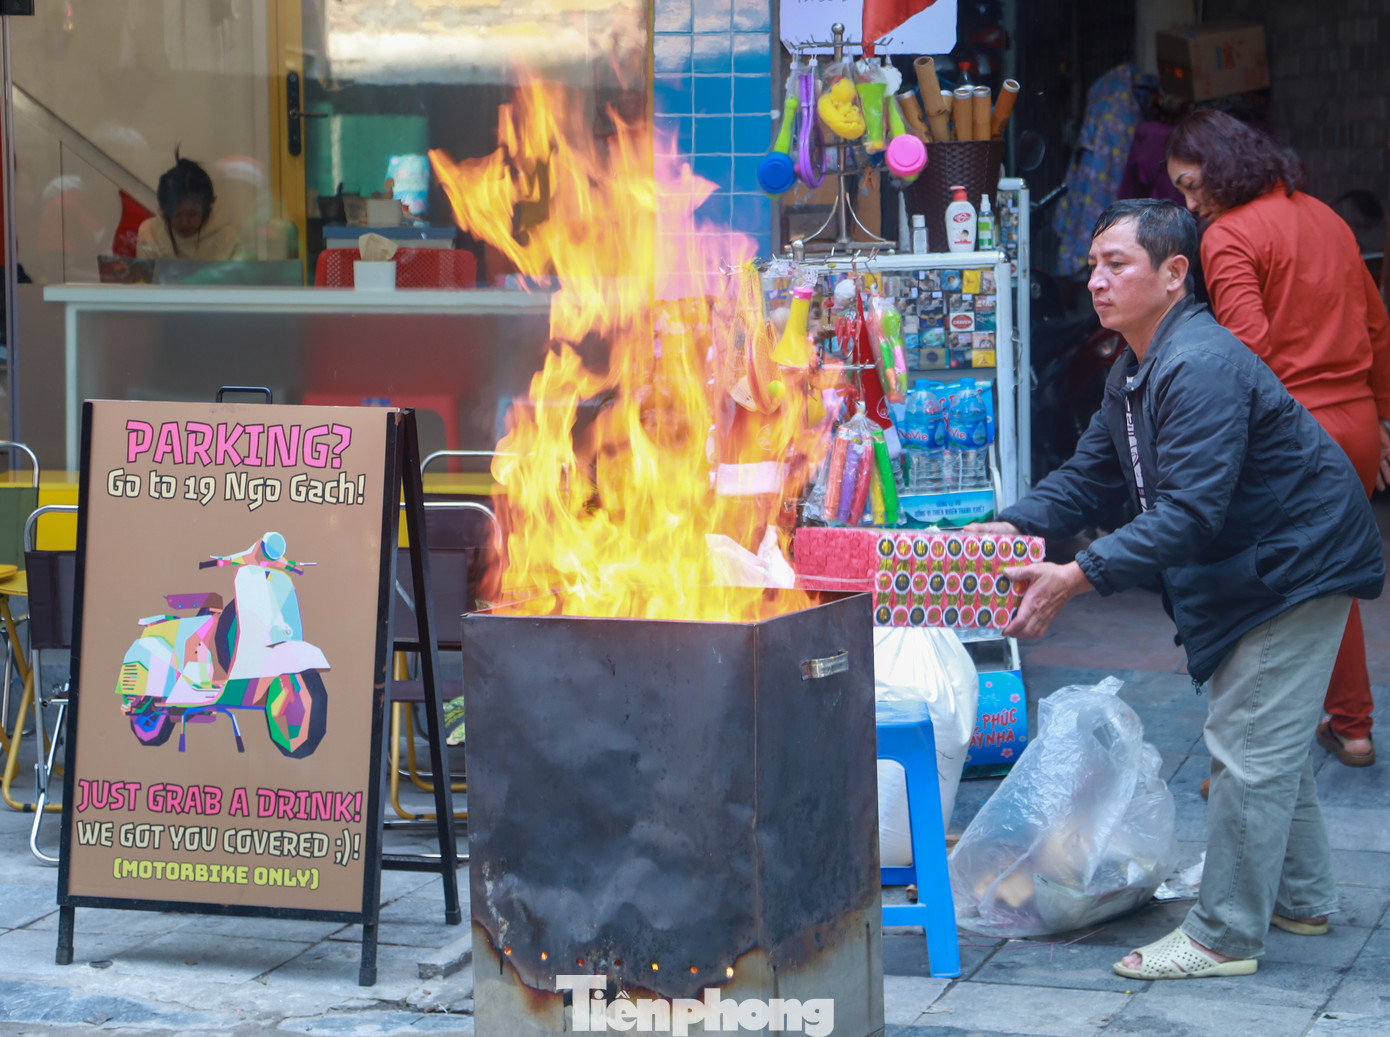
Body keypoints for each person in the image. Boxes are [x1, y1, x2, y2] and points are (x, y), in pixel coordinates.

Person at [972, 198, 1384, 978]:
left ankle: (1223, 935)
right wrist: (1009, 525)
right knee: (1269, 747)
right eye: (1093, 265)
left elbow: (1192, 513)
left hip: (1294, 565)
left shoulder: (1198, 363)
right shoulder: (1136, 367)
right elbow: (1091, 474)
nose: (1096, 281)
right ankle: (1301, 897)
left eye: (1116, 264)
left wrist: (1076, 575)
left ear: (1173, 275)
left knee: (1247, 753)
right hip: (1263, 565)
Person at [1165, 109, 1390, 768]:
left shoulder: (1229, 233)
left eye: (1189, 183)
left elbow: (1245, 353)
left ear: (1218, 164)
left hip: (1291, 430)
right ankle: (1351, 726)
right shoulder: (1327, 217)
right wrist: (1380, 417)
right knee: (1331, 576)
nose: (1187, 201)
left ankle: (1230, 758)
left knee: (1254, 585)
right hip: (1353, 423)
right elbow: (1376, 326)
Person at [136, 151, 245, 261]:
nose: (184, 222)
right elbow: (144, 277)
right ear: (165, 209)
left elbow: (240, 277)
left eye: (192, 214)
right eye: (177, 214)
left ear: (207, 207)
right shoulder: (150, 232)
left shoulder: (227, 237)